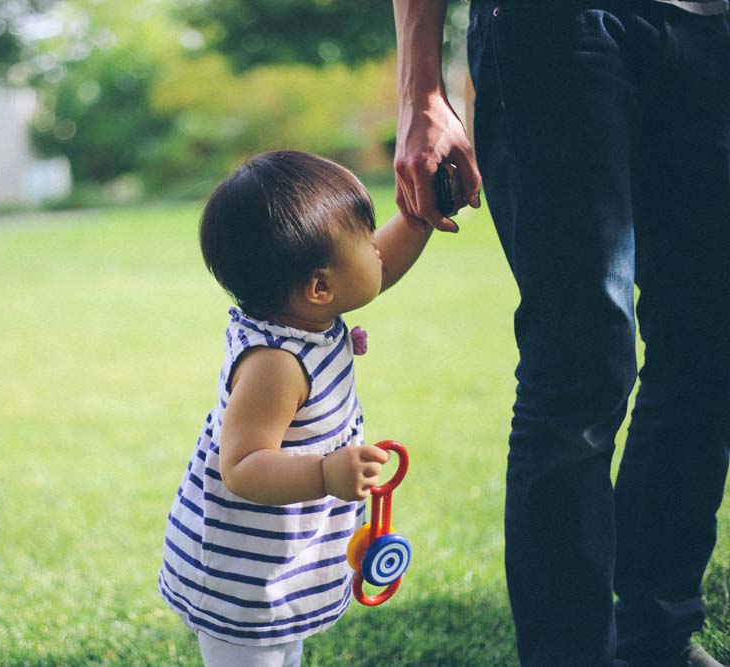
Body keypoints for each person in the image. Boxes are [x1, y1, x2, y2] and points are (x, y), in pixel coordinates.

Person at [391, 1, 730, 666]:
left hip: (706, 30)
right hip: (552, 24)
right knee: (581, 360)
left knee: (709, 351)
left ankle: (657, 638)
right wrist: (420, 88)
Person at [158, 150, 431, 667]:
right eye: (367, 241)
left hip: (279, 560)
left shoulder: (305, 316)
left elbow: (380, 270)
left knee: (286, 653)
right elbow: (240, 466)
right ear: (320, 286)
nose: (380, 251)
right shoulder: (276, 365)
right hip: (240, 576)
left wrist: (420, 217)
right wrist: (326, 473)